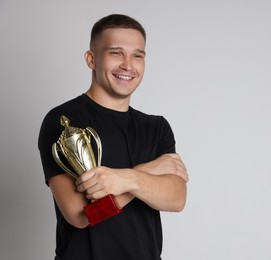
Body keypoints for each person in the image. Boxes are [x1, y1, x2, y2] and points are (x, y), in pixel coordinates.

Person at [38, 14, 188, 260]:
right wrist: (145, 173)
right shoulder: (65, 121)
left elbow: (176, 198)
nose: (128, 65)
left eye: (137, 55)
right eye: (116, 53)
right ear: (91, 59)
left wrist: (125, 179)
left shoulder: (157, 127)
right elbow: (80, 215)